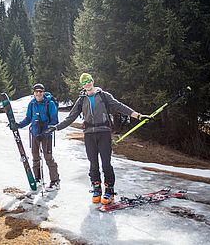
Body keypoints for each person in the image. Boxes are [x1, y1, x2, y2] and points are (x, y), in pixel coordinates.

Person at [46, 73, 150, 204]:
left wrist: (139, 116)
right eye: (84, 82)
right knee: (93, 164)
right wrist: (56, 128)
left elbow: (119, 106)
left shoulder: (104, 95)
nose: (87, 84)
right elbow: (70, 117)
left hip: (104, 133)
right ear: (82, 85)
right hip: (89, 134)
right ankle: (96, 189)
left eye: (89, 81)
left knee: (106, 163)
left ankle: (109, 190)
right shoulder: (81, 100)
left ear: (92, 81)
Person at [13, 83, 60, 191]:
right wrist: (18, 125)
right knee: (35, 157)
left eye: (40, 92)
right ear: (33, 93)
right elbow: (28, 118)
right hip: (34, 133)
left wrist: (45, 132)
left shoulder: (50, 104)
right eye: (36, 92)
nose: (38, 94)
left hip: (45, 134)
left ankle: (55, 181)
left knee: (48, 158)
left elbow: (54, 121)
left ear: (43, 92)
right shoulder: (32, 104)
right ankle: (38, 179)